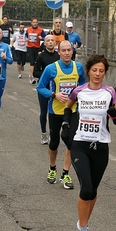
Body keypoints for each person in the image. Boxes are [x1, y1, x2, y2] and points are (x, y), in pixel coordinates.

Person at [61, 54, 116, 231]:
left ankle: (84, 223)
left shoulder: (110, 92)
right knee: (85, 188)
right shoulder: (79, 91)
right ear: (88, 71)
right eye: (94, 70)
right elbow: (68, 106)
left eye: (101, 71)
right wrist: (65, 124)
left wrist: (113, 113)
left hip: (101, 146)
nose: (97, 74)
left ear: (105, 73)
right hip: (80, 144)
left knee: (93, 190)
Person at [36, 40, 86, 189]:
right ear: (59, 52)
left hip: (73, 111)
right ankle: (52, 168)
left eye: (69, 50)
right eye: (63, 50)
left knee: (72, 142)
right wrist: (54, 94)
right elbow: (40, 87)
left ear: (72, 51)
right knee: (54, 143)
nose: (66, 53)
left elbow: (83, 85)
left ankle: (65, 173)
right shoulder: (51, 69)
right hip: (55, 111)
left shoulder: (78, 67)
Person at [33, 35, 60, 144]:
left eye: (52, 40)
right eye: (48, 40)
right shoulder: (41, 56)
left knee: (56, 112)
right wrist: (46, 74)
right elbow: (35, 72)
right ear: (44, 43)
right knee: (44, 112)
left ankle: (54, 133)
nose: (50, 42)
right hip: (44, 87)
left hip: (57, 87)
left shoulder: (59, 56)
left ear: (55, 43)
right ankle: (44, 133)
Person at [25, 17, 46, 84]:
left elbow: (45, 38)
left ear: (38, 23)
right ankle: (31, 77)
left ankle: (39, 76)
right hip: (30, 47)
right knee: (32, 62)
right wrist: (26, 39)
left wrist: (41, 38)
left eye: (36, 22)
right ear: (31, 23)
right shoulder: (28, 29)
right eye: (33, 22)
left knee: (38, 62)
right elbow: (25, 36)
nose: (35, 23)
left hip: (38, 48)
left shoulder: (41, 30)